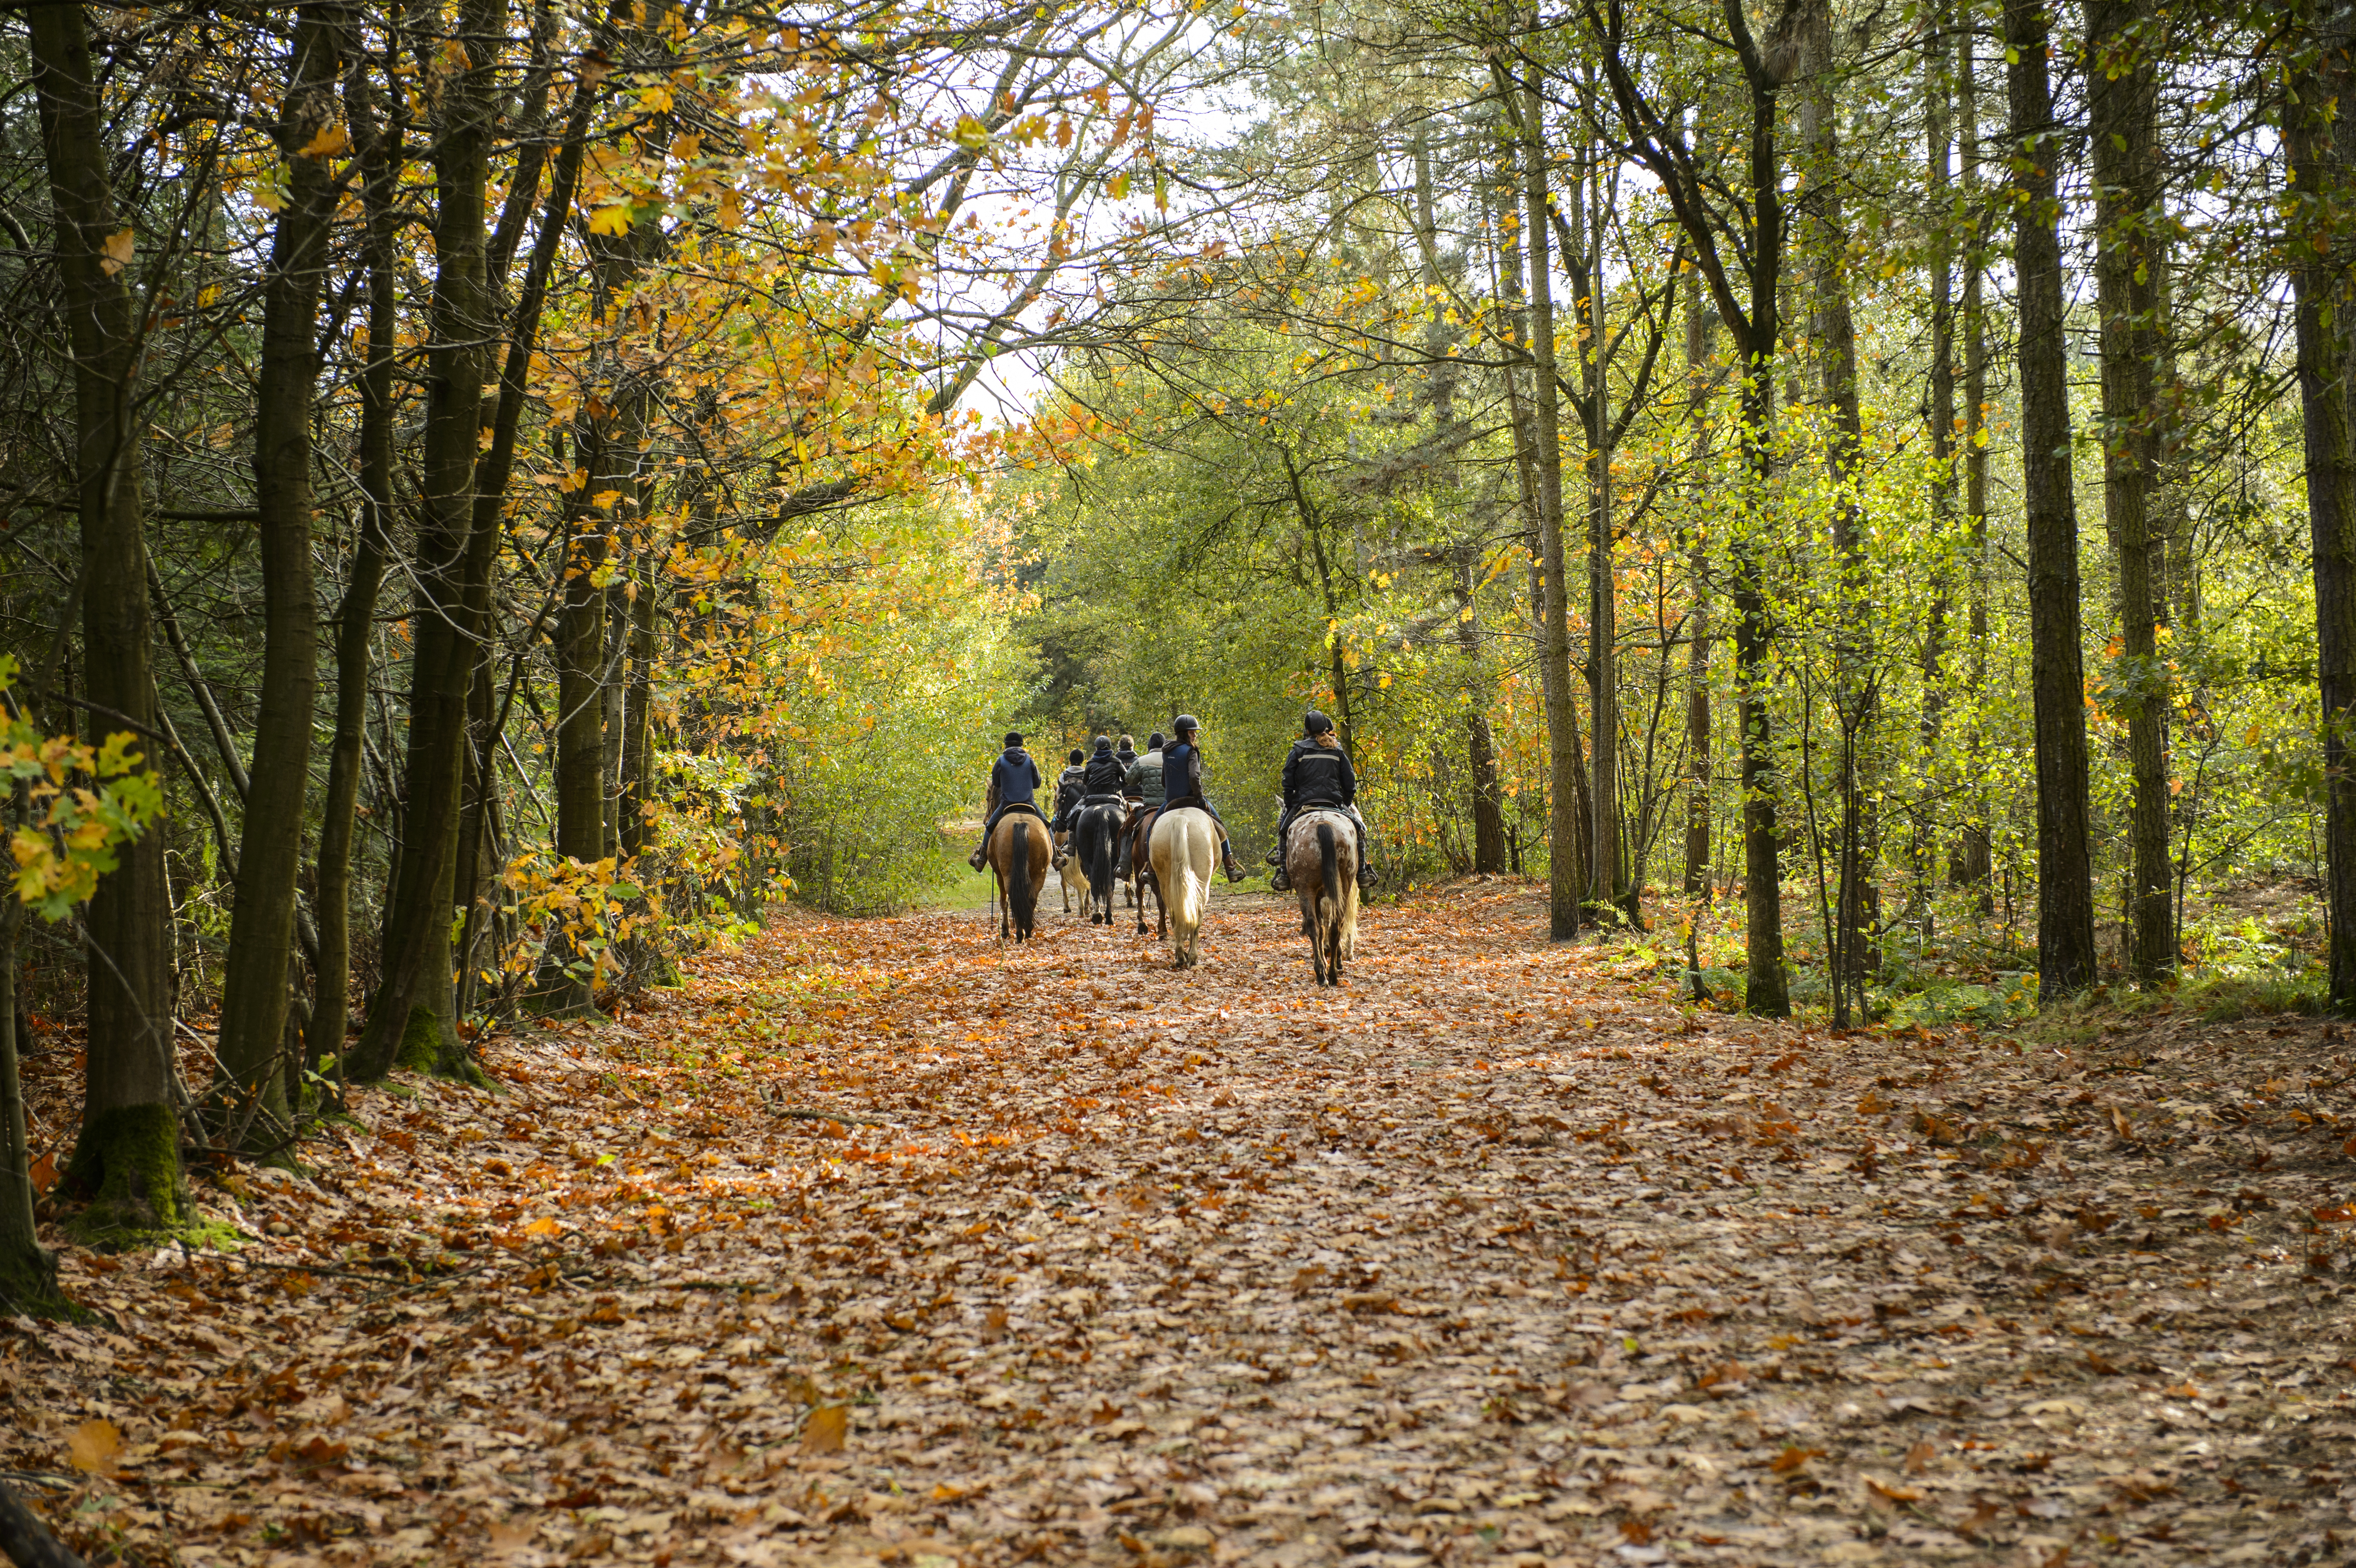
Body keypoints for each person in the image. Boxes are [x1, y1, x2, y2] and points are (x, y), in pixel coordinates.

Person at [1269, 710, 1376, 891]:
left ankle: (1284, 875)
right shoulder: (1337, 750)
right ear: (1326, 729)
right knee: (1360, 830)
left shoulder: (1298, 750)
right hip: (1334, 802)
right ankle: (1363, 872)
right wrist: (1346, 801)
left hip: (1304, 802)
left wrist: (1289, 803)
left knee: (1284, 831)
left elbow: (1288, 781)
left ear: (1308, 730)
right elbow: (1350, 782)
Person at [1160, 714, 1246, 882]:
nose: (1195, 735)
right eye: (1193, 732)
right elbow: (1194, 777)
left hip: (1171, 802)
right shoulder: (1191, 751)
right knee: (1220, 826)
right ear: (1185, 733)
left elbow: (1164, 780)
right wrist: (1200, 799)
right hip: (1192, 799)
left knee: (1150, 831)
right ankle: (1230, 867)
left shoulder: (1166, 751)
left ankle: (1150, 867)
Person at [968, 732, 1043, 870]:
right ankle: (1056, 856)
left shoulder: (1001, 761)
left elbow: (996, 783)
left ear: (1006, 745)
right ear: (1022, 745)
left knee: (990, 826)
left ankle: (981, 859)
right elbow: (1037, 783)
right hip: (1029, 803)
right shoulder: (1030, 760)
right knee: (1048, 826)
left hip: (1006, 804)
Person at [1116, 732, 1165, 881]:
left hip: (1148, 805)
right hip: (1167, 805)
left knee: (1128, 828)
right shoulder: (1170, 759)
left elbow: (1129, 780)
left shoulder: (1142, 761)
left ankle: (1125, 866)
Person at [1048, 747, 1088, 869]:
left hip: (1068, 811)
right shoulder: (1086, 772)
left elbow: (1059, 795)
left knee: (1051, 826)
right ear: (1082, 761)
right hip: (1084, 808)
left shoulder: (1064, 774)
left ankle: (1054, 851)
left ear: (1070, 761)